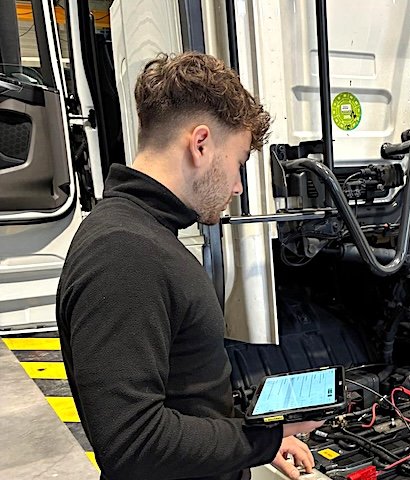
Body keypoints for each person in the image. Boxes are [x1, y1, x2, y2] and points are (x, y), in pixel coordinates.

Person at [56, 52, 323, 480]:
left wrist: (249, 444)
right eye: (238, 163)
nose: (237, 186)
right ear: (200, 144)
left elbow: (185, 396)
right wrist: (259, 440)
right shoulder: (123, 253)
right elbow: (132, 444)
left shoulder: (143, 233)